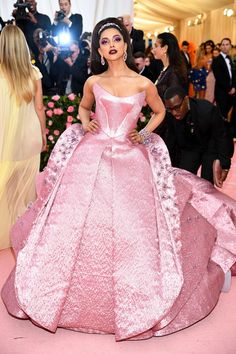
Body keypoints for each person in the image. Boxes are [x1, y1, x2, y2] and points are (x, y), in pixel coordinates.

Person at [2, 18, 236, 342]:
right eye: (104, 42)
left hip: (130, 157)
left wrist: (142, 133)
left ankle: (135, 299)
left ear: (126, 45)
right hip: (90, 155)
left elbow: (159, 112)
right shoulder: (92, 81)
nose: (111, 45)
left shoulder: (144, 84)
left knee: (133, 228)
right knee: (72, 223)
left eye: (116, 40)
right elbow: (84, 108)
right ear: (99, 49)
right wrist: (86, 122)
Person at [0, 25, 46, 250]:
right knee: (26, 193)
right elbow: (39, 108)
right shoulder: (33, 73)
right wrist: (43, 135)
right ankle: (22, 236)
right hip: (29, 140)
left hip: (5, 143)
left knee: (4, 189)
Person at [163, 85, 233, 185]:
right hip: (190, 147)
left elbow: (222, 136)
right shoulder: (170, 114)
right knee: (183, 180)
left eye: (177, 107)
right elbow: (171, 138)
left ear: (186, 99)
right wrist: (166, 164)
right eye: (170, 109)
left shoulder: (207, 110)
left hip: (210, 146)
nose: (174, 112)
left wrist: (225, 165)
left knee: (206, 183)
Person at [212, 38, 236, 120]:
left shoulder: (229, 58)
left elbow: (233, 75)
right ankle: (222, 132)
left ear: (230, 46)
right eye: (223, 45)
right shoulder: (216, 60)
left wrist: (234, 87)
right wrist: (230, 89)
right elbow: (219, 78)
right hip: (221, 93)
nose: (225, 47)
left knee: (229, 115)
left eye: (227, 44)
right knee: (222, 116)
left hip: (231, 93)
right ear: (220, 47)